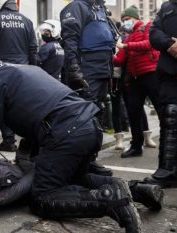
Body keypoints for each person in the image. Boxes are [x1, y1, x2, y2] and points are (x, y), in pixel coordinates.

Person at [0, 60, 164, 232]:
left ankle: (111, 199)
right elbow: (39, 110)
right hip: (89, 125)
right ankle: (140, 191)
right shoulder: (26, 70)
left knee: (41, 197)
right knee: (73, 179)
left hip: (66, 132)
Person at [60, 0, 115, 176]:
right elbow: (70, 41)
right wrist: (74, 70)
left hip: (102, 69)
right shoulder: (77, 7)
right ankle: (82, 162)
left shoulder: (99, 8)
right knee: (85, 117)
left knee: (97, 115)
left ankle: (90, 159)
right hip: (87, 70)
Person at [0, 0, 38, 152]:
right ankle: (28, 140)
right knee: (23, 104)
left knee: (3, 104)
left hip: (1, 69)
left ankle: (9, 140)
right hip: (23, 70)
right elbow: (33, 48)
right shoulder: (27, 21)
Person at [144, 0, 177, 189]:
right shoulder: (168, 7)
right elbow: (153, 33)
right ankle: (168, 171)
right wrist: (170, 45)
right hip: (172, 72)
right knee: (170, 117)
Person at [114, 5, 160, 158]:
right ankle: (136, 145)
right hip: (134, 78)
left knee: (162, 109)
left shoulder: (148, 27)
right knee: (134, 112)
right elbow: (120, 59)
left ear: (135, 18)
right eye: (124, 20)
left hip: (150, 74)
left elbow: (149, 44)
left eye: (128, 19)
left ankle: (172, 143)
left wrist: (126, 45)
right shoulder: (128, 35)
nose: (126, 22)